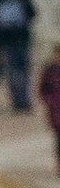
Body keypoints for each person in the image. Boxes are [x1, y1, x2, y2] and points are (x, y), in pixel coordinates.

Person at [40, 45, 60, 175]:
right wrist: (50, 101)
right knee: (58, 141)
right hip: (56, 113)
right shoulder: (50, 71)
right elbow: (43, 89)